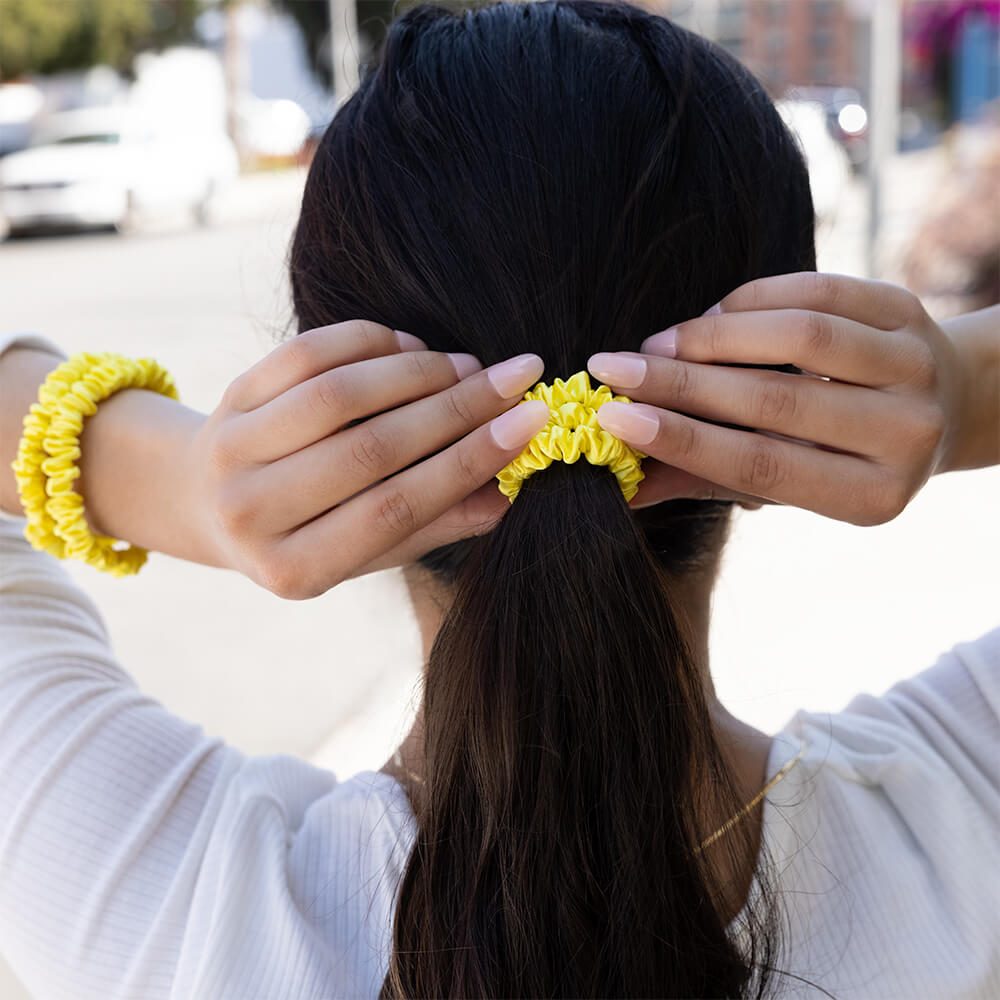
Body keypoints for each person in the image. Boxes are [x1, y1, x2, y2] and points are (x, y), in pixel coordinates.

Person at [0, 2, 997, 997]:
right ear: (786, 386)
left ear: (331, 402)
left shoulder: (154, 905)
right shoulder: (962, 821)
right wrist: (962, 390)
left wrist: (179, 483)